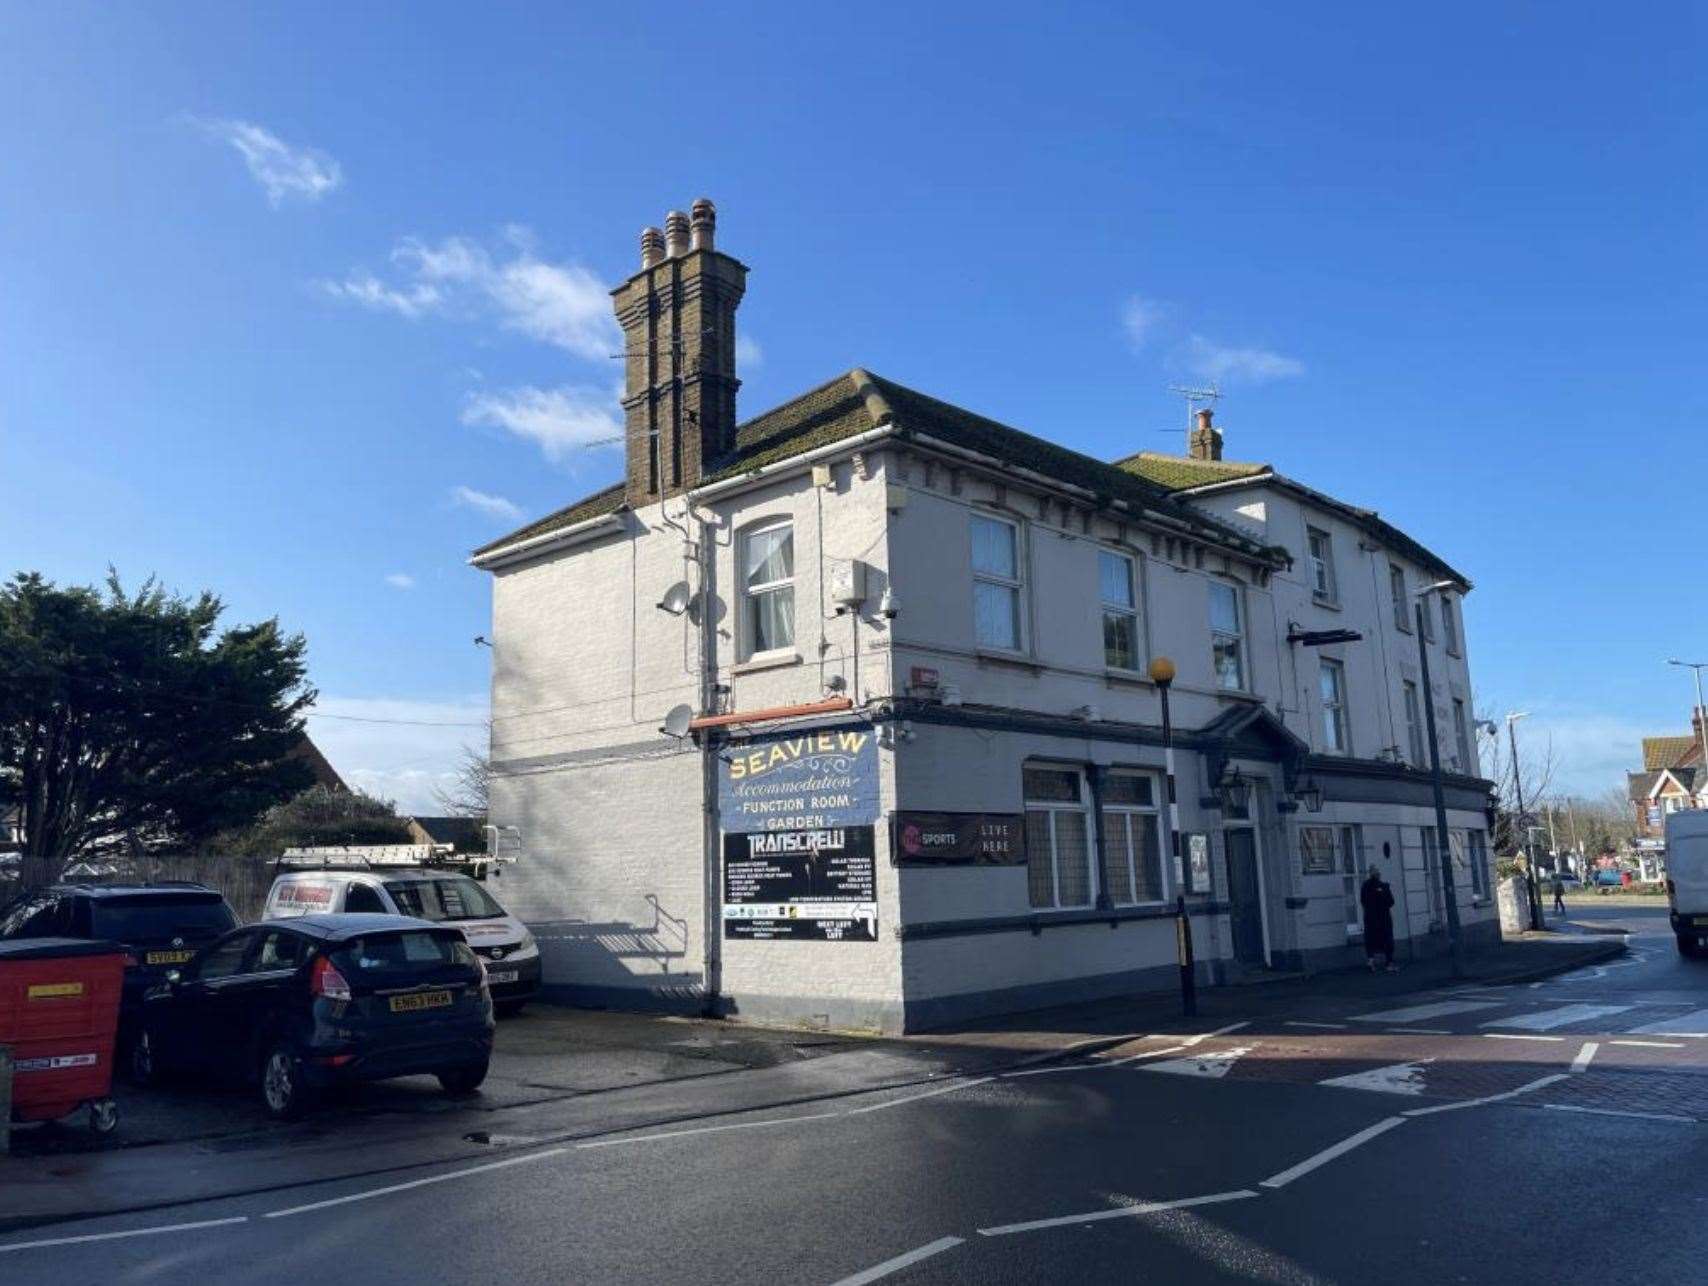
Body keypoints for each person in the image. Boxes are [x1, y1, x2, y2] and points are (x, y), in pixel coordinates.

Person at [1360, 867, 1398, 972]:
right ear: (1377, 875)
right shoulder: (1383, 886)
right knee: (1387, 940)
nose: (1378, 875)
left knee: (1371, 940)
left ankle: (1371, 961)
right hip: (1383, 918)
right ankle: (1388, 963)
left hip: (1371, 918)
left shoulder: (1365, 886)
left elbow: (1363, 901)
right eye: (1378, 873)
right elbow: (1391, 902)